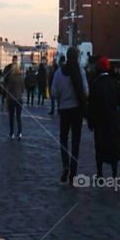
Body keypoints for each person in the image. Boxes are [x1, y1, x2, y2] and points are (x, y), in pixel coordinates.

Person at [51, 47, 88, 184]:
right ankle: (73, 172)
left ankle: (65, 165)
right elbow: (86, 91)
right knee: (76, 141)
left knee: (63, 138)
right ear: (77, 57)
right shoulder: (80, 72)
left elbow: (53, 92)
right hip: (77, 110)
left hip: (64, 109)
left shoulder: (59, 73)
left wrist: (62, 97)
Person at [87, 56, 120, 180]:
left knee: (99, 147)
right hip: (112, 120)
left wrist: (90, 122)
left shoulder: (95, 84)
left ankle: (100, 173)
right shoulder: (114, 83)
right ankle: (114, 174)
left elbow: (90, 104)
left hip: (99, 121)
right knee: (113, 146)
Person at [5, 60, 25, 139]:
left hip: (12, 99)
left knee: (11, 117)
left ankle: (12, 133)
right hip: (19, 99)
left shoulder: (11, 77)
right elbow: (23, 89)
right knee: (18, 117)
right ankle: (20, 132)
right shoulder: (21, 77)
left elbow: (8, 89)